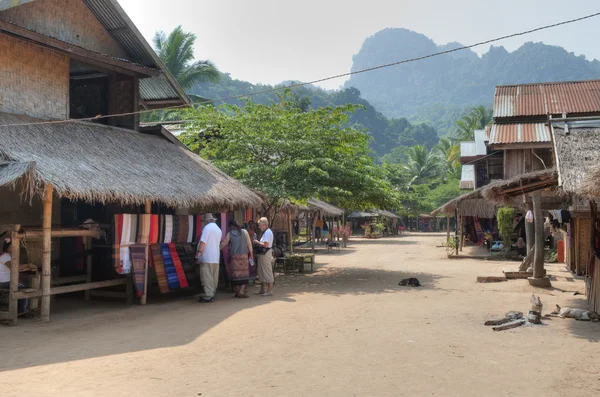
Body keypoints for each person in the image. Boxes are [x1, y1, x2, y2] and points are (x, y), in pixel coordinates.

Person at [220, 219, 253, 298]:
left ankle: (238, 292)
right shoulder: (245, 232)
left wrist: (216, 249)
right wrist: (251, 254)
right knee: (244, 274)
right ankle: (241, 291)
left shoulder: (229, 234)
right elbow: (249, 244)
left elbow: (224, 244)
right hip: (244, 256)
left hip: (234, 257)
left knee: (236, 275)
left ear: (231, 226)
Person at [196, 213, 222, 303]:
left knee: (207, 276)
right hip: (216, 257)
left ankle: (208, 295)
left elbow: (203, 242)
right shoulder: (218, 229)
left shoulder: (207, 228)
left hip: (207, 256)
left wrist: (199, 252)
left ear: (207, 220)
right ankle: (212, 293)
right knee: (214, 276)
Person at [0, 237, 30, 313]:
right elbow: (14, 267)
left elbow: (16, 268)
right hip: (4, 282)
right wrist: (28, 265)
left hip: (5, 281)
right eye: (12, 246)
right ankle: (24, 310)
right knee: (25, 288)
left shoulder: (7, 256)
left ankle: (20, 309)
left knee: (22, 285)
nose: (14, 248)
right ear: (7, 247)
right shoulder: (5, 256)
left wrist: (27, 267)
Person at [254, 217, 274, 296]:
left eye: (260, 225)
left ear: (265, 225)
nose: (259, 227)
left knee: (267, 271)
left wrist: (257, 242)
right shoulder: (266, 232)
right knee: (261, 271)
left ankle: (269, 290)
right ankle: (263, 289)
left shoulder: (268, 232)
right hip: (263, 254)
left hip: (265, 253)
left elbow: (265, 245)